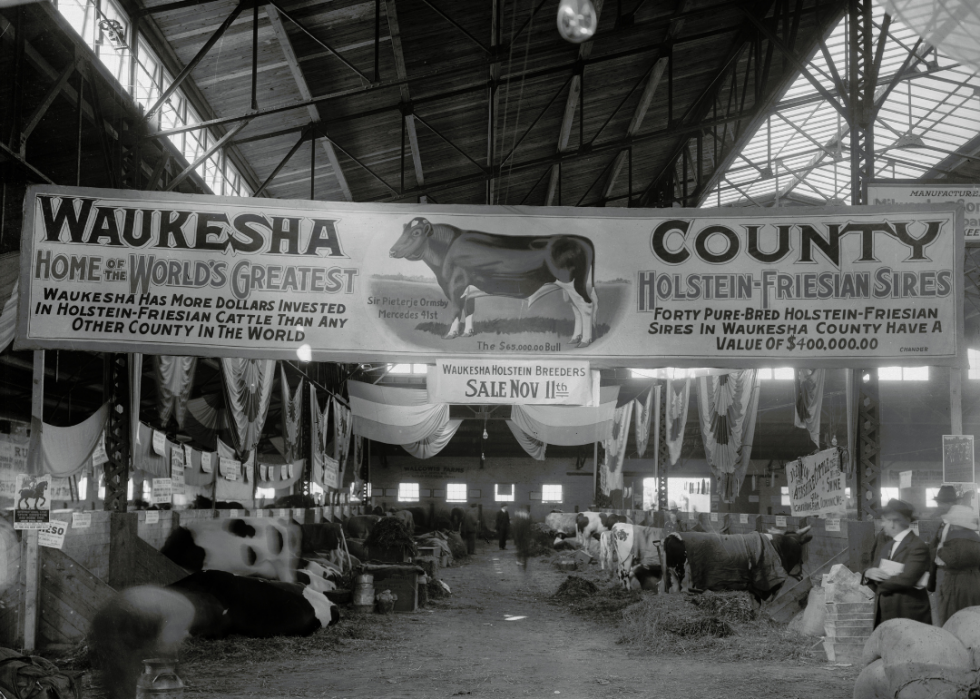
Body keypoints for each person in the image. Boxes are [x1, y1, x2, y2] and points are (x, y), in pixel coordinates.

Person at [863, 498, 932, 628]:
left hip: (907, 614)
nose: (882, 525)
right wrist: (868, 573)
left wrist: (879, 582)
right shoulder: (888, 545)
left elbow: (906, 579)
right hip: (886, 613)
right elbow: (875, 570)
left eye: (884, 521)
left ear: (893, 522)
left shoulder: (918, 546)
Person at [928, 485, 980, 625]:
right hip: (943, 577)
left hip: (954, 578)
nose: (940, 506)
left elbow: (950, 554)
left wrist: (937, 551)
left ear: (953, 503)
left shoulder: (960, 529)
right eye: (940, 502)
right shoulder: (941, 526)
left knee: (953, 616)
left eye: (944, 502)